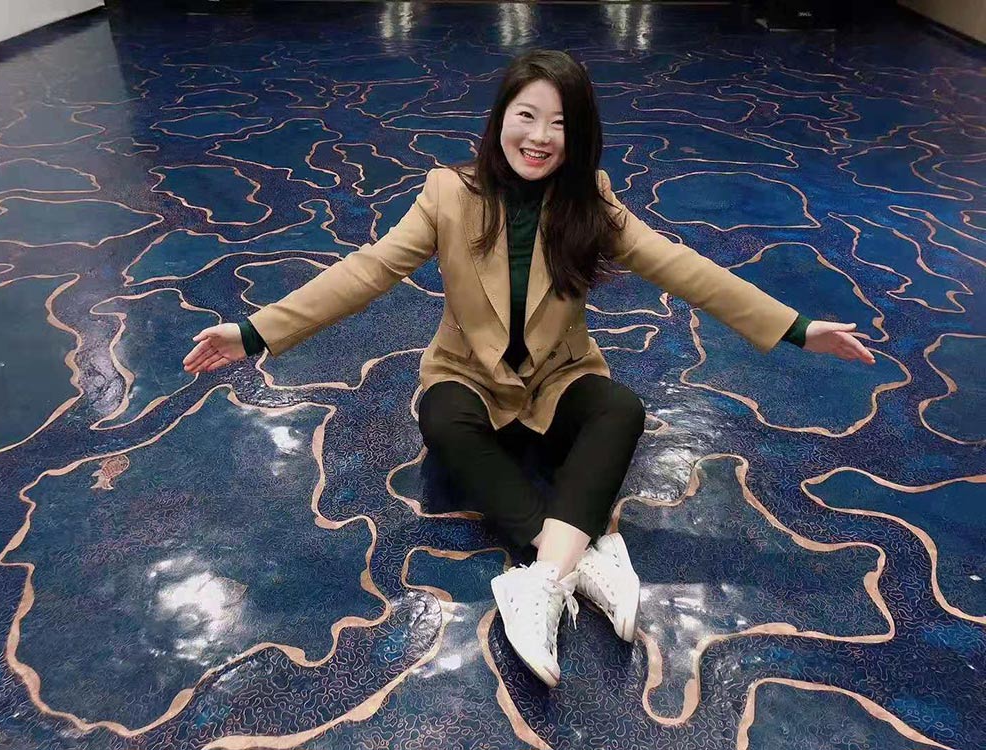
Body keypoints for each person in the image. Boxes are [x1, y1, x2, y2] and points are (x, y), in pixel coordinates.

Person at [183, 50, 875, 687]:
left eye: (560, 124)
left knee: (621, 410)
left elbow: (682, 268)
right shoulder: (448, 193)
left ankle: (540, 577)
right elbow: (368, 270)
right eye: (527, 116)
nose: (540, 137)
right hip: (468, 376)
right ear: (501, 119)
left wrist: (797, 328)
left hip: (557, 377)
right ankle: (577, 554)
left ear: (581, 136)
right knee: (442, 418)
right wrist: (254, 332)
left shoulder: (590, 200)